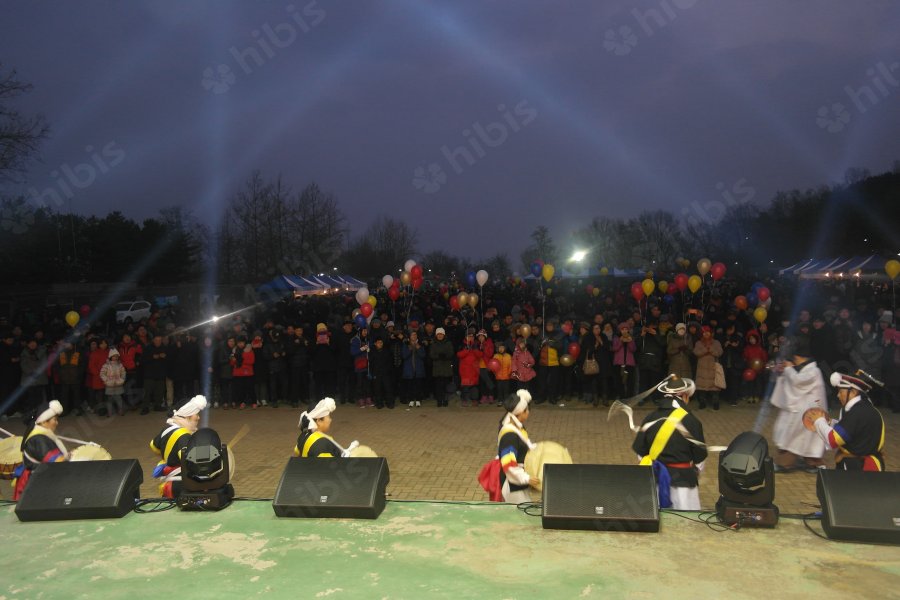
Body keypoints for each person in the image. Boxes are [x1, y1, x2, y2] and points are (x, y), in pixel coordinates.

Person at [631, 376, 707, 510]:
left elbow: (640, 453)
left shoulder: (650, 418)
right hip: (683, 484)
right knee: (685, 523)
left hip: (656, 482)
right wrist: (694, 471)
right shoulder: (692, 421)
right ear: (684, 396)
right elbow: (700, 457)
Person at [769, 336, 827, 473]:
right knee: (792, 433)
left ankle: (795, 463)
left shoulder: (814, 371)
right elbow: (791, 382)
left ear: (799, 357)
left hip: (810, 412)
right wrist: (783, 372)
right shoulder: (802, 368)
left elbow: (798, 382)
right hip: (799, 409)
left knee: (796, 435)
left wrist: (788, 370)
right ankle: (809, 462)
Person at [807, 372, 886, 471]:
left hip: (858, 468)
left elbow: (833, 439)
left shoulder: (856, 413)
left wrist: (819, 420)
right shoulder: (868, 409)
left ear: (853, 392)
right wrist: (830, 423)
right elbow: (852, 431)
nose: (838, 395)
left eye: (840, 391)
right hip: (870, 466)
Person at [149, 394, 207, 498]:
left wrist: (169, 455)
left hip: (168, 484)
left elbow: (153, 446)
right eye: (196, 414)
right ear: (187, 415)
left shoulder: (166, 430)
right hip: (180, 485)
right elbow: (189, 461)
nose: (198, 417)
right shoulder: (185, 437)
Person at [13, 399, 67, 500]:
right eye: (54, 420)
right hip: (33, 483)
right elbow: (56, 461)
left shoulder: (41, 434)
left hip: (38, 477)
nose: (57, 423)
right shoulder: (38, 439)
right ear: (43, 421)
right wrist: (73, 458)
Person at [497, 389, 540, 503]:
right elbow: (508, 464)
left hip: (518, 482)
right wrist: (526, 479)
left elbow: (524, 444)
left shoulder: (515, 426)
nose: (528, 413)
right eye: (527, 410)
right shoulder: (509, 435)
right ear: (520, 412)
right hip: (513, 485)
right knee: (519, 518)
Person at [293, 397, 358, 458]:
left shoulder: (303, 435)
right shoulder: (323, 443)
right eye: (328, 417)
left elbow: (297, 452)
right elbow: (328, 466)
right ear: (319, 421)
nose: (330, 420)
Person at [99, 348, 126, 417]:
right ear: (111, 356)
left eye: (117, 356)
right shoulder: (106, 365)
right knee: (109, 399)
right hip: (109, 385)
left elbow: (123, 373)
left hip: (118, 384)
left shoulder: (120, 365)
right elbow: (102, 373)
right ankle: (109, 412)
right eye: (114, 356)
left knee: (119, 398)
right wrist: (106, 381)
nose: (115, 357)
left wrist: (122, 380)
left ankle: (120, 410)